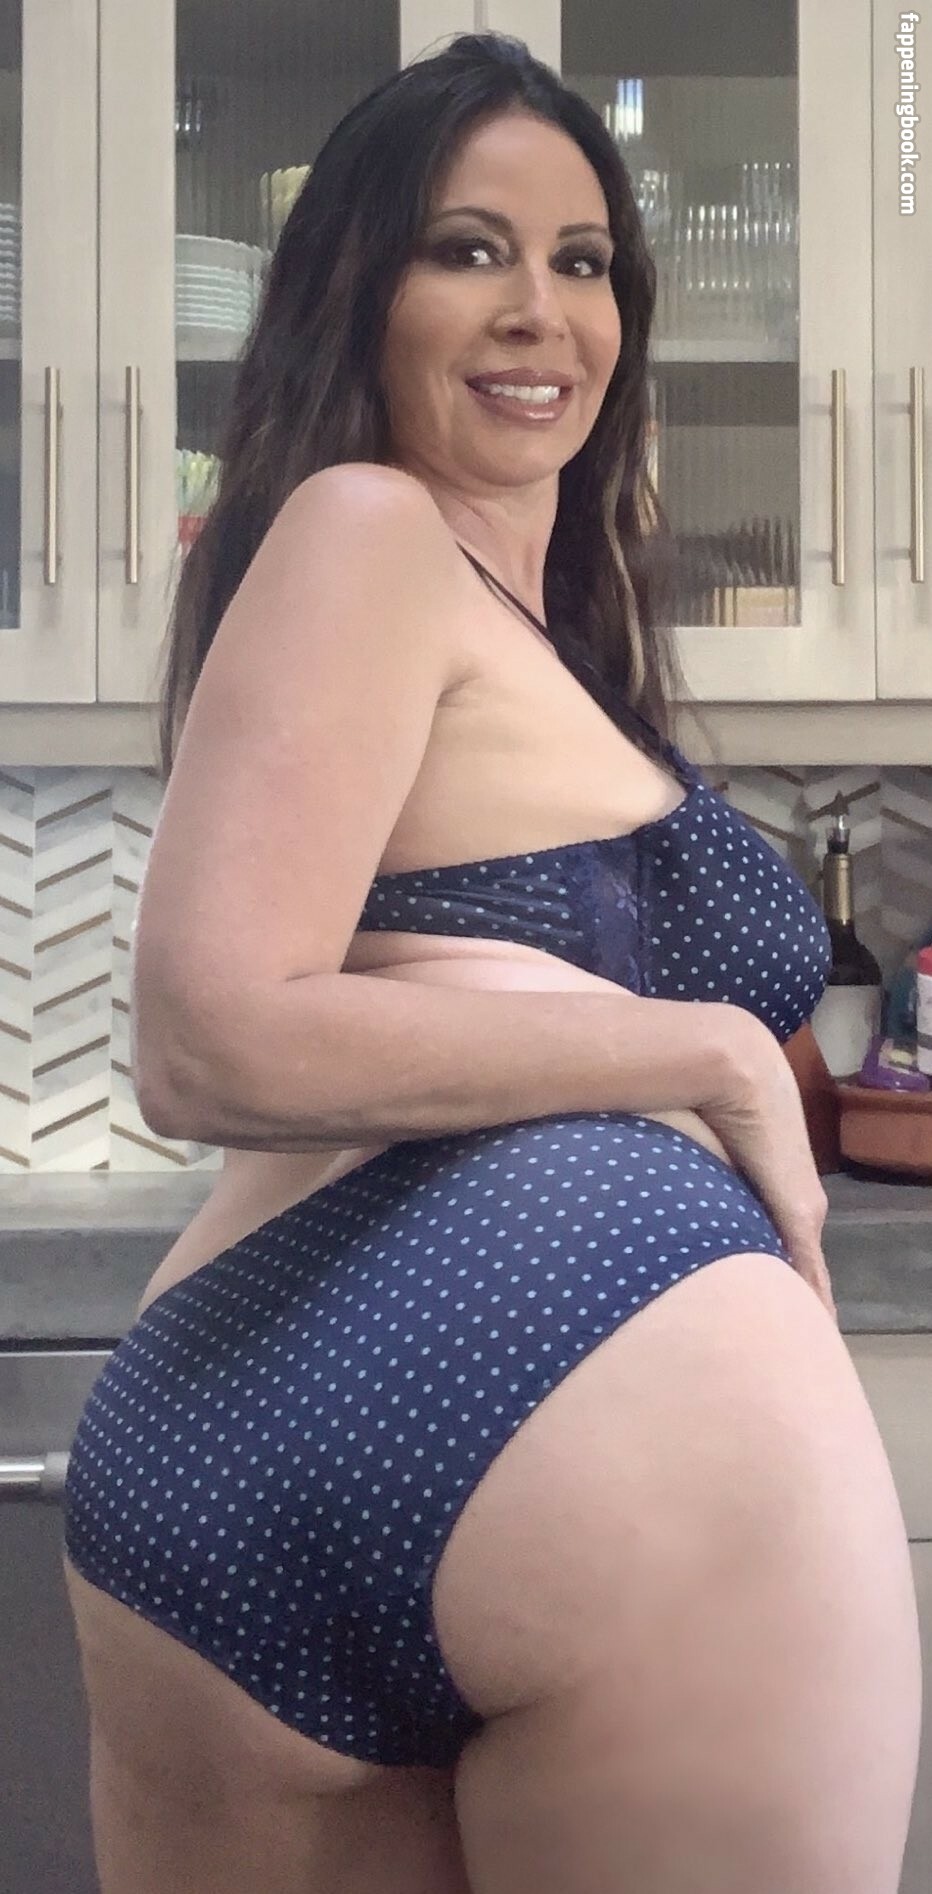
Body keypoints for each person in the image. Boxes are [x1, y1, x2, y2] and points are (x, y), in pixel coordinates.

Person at [62, 32, 922, 1894]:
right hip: (553, 1464)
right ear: (356, 293)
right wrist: (700, 1047)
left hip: (261, 1438)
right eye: (469, 249)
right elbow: (207, 1035)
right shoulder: (370, 527)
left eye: (582, 260)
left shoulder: (530, 634)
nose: (541, 308)